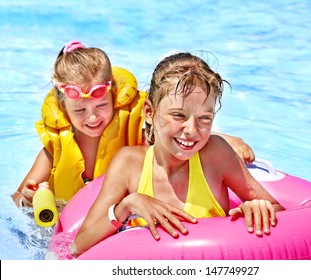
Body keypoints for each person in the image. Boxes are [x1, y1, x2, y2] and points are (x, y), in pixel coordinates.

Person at [70, 52, 284, 258]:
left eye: (204, 118)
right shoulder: (129, 164)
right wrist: (127, 206)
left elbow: (280, 211)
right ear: (149, 112)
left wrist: (258, 207)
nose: (191, 129)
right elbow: (78, 246)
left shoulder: (216, 155)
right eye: (178, 115)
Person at [11, 41, 255, 208]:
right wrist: (28, 198)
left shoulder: (133, 130)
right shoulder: (54, 150)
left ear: (114, 96)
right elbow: (17, 197)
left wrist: (229, 141)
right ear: (64, 108)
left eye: (101, 106)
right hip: (71, 218)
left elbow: (178, 134)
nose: (92, 117)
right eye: (80, 110)